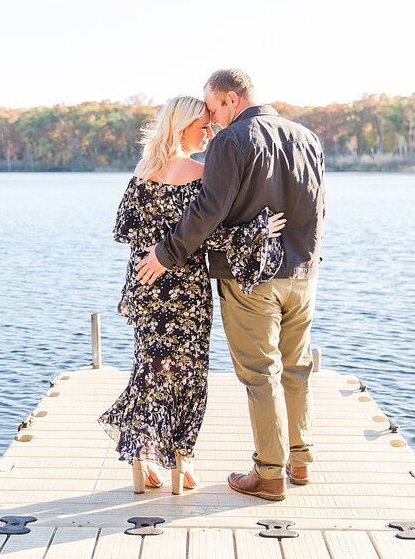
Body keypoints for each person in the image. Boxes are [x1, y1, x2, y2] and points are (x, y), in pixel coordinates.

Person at [136, 69, 326, 501]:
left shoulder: (230, 141)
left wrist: (165, 254)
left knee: (261, 375)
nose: (212, 117)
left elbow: (209, 209)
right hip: (302, 275)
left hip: (250, 279)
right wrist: (306, 259)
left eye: (214, 107)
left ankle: (270, 474)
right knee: (296, 369)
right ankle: (300, 461)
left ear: (232, 99)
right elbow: (319, 207)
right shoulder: (307, 137)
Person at [99, 95, 285, 495]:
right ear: (182, 126)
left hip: (144, 283)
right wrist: (257, 231)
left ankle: (142, 458)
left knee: (148, 368)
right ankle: (183, 462)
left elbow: (126, 230)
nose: (210, 131)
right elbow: (207, 231)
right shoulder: (199, 172)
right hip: (184, 290)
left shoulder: (142, 170)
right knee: (187, 374)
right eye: (204, 125)